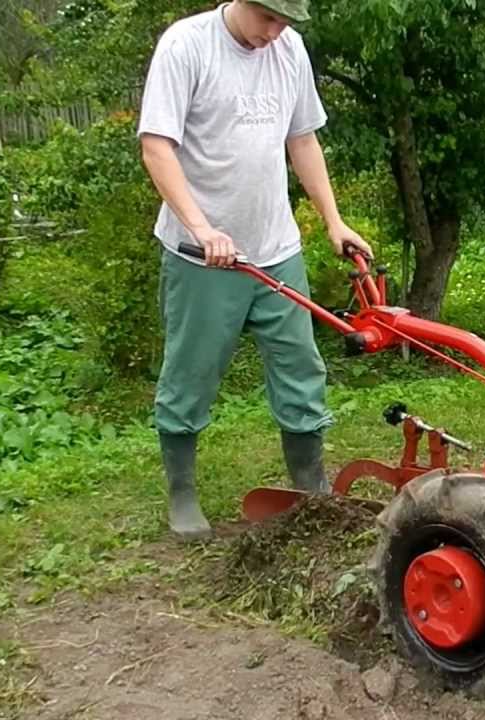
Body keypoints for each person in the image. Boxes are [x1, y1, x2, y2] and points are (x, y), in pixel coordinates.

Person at [136, 0, 371, 540]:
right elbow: (157, 148)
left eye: (286, 22)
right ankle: (182, 492)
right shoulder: (187, 45)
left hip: (276, 248)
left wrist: (333, 221)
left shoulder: (288, 48)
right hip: (204, 258)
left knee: (301, 371)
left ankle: (309, 487)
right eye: (269, 18)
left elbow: (302, 139)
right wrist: (201, 228)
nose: (276, 32)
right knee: (191, 375)